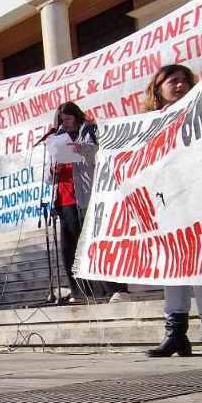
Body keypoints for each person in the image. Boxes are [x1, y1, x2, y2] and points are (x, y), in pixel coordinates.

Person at [141, 65, 202, 359]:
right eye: (173, 81)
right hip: (167, 203)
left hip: (200, 198)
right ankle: (176, 334)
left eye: (184, 81)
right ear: (158, 88)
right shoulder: (151, 122)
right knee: (173, 268)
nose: (180, 85)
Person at [44, 101, 129, 304]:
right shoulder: (56, 140)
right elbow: (48, 179)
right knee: (70, 249)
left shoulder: (88, 130)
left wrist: (80, 148)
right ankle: (81, 292)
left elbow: (100, 153)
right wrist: (52, 170)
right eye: (61, 121)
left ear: (76, 116)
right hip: (65, 200)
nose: (65, 124)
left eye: (68, 119)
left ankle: (118, 290)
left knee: (98, 242)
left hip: (87, 197)